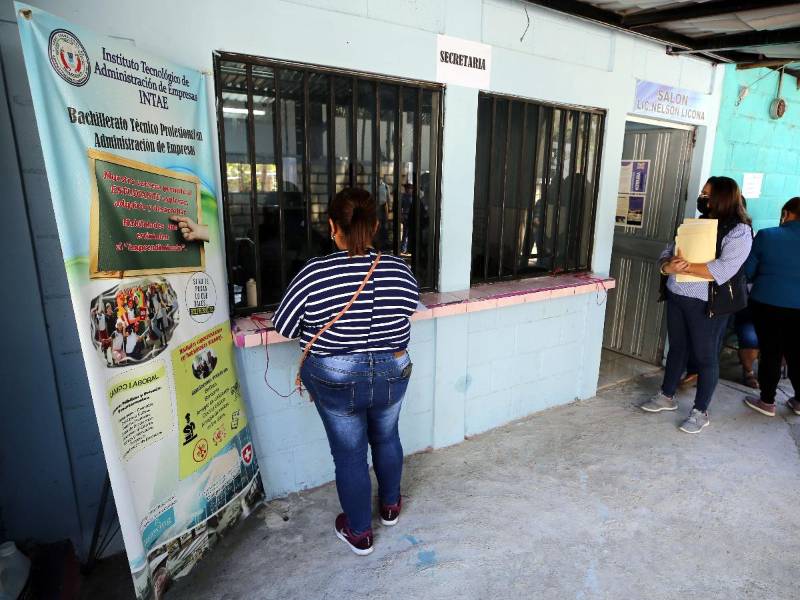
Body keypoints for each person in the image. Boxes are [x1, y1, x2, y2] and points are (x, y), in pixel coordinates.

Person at [273, 187, 419, 555]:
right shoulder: (399, 268)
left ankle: (359, 532)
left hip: (337, 379)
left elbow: (285, 327)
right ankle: (389, 507)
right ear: (374, 226)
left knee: (351, 454)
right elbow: (409, 306)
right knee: (386, 437)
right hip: (392, 371)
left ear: (332, 226)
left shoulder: (313, 274)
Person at [641, 177, 753, 434]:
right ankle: (666, 396)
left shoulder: (740, 231)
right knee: (678, 348)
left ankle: (700, 411)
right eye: (703, 193)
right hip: (677, 295)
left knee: (705, 356)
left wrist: (689, 267)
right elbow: (668, 252)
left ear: (723, 198)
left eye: (706, 194)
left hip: (707, 303)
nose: (702, 198)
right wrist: (668, 266)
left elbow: (723, 269)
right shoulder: (696, 224)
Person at [743, 197, 800, 417]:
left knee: (771, 352)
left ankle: (767, 401)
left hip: (768, 303)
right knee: (797, 353)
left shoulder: (767, 235)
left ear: (786, 213)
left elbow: (748, 271)